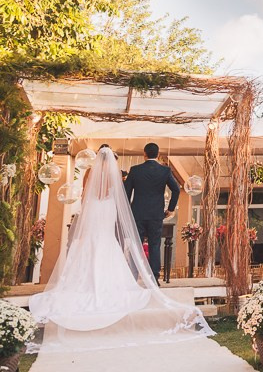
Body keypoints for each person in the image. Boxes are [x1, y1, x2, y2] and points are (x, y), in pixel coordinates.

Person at [28, 147, 212, 353]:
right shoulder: (147, 171)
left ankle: (127, 276)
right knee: (149, 244)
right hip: (122, 210)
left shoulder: (97, 172)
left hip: (98, 209)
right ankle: (154, 278)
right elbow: (126, 196)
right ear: (157, 154)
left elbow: (93, 194)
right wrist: (166, 209)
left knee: (96, 241)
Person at [124, 142, 181, 282]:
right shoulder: (165, 171)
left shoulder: (135, 170)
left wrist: (128, 209)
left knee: (136, 244)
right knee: (155, 245)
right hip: (156, 214)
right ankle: (154, 277)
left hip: (137, 213)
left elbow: (125, 192)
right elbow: (176, 189)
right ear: (158, 154)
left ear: (144, 154)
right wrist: (170, 209)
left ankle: (133, 275)